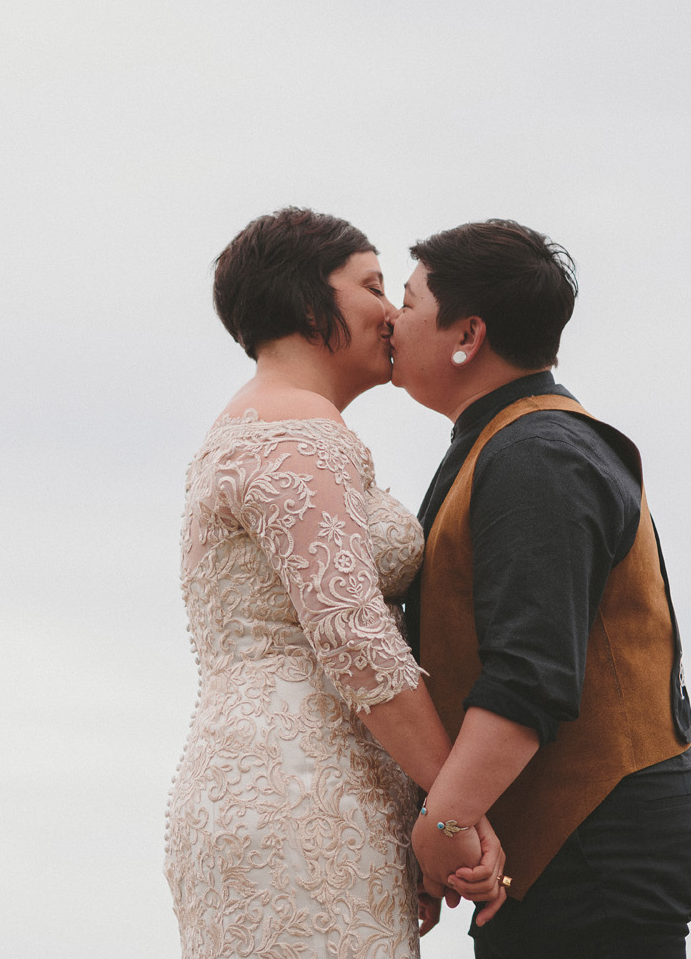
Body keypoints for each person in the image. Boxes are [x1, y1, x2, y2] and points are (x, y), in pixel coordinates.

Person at [164, 207, 504, 959]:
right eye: (372, 285)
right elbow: (356, 639)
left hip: (276, 775)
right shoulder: (297, 430)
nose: (391, 311)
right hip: (302, 786)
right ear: (304, 299)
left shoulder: (253, 425)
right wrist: (455, 808)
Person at [389, 219, 691, 958]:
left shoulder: (536, 451)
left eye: (408, 303)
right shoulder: (506, 440)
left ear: (466, 333)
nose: (390, 321)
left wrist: (441, 825)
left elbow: (529, 674)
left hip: (597, 852)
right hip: (569, 852)